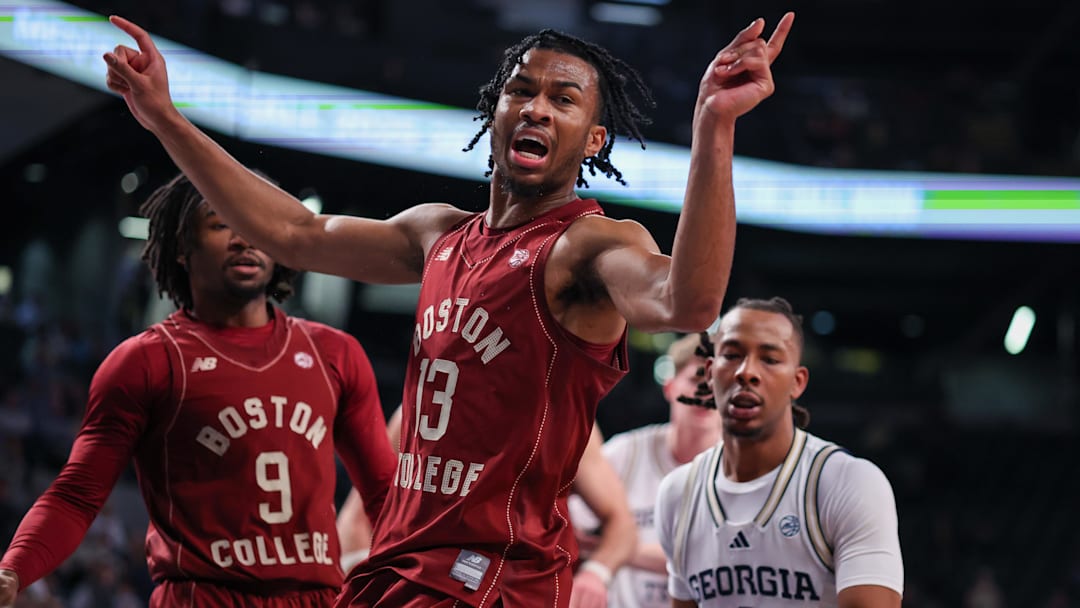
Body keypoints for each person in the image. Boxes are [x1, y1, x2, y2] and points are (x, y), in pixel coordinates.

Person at [101, 11, 794, 606]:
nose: (538, 107)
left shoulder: (588, 246)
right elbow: (294, 234)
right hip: (402, 559)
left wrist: (714, 128)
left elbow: (690, 299)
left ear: (593, 141)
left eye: (565, 99)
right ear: (493, 111)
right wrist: (164, 118)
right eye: (521, 89)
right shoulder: (438, 235)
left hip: (495, 576)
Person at [0, 173, 397, 607]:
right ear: (181, 247)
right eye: (222, 222)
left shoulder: (335, 354)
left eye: (257, 221)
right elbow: (77, 494)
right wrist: (14, 570)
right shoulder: (146, 362)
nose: (245, 237)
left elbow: (386, 495)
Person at [655, 297, 904, 607]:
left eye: (770, 359)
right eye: (732, 355)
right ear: (710, 371)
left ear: (797, 383)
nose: (746, 372)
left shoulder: (848, 482)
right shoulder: (678, 493)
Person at [336, 409, 637, 608]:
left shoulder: (561, 414)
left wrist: (596, 573)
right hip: (426, 586)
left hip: (526, 591)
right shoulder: (423, 406)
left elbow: (621, 523)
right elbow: (355, 519)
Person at [570, 332, 721, 608]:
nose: (705, 393)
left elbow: (720, 562)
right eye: (697, 380)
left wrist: (621, 547)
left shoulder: (741, 468)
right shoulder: (626, 452)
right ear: (670, 387)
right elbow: (573, 531)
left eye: (716, 383)